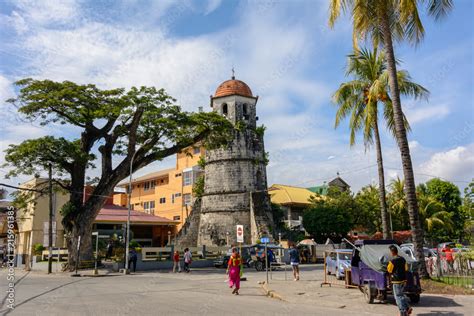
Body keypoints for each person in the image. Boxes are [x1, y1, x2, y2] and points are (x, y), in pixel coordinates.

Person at [387, 245, 412, 316]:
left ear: (392, 252)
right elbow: (406, 269)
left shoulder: (392, 261)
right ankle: (407, 308)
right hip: (403, 280)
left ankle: (403, 311)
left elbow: (389, 270)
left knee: (397, 297)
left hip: (396, 281)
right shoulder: (403, 259)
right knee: (401, 295)